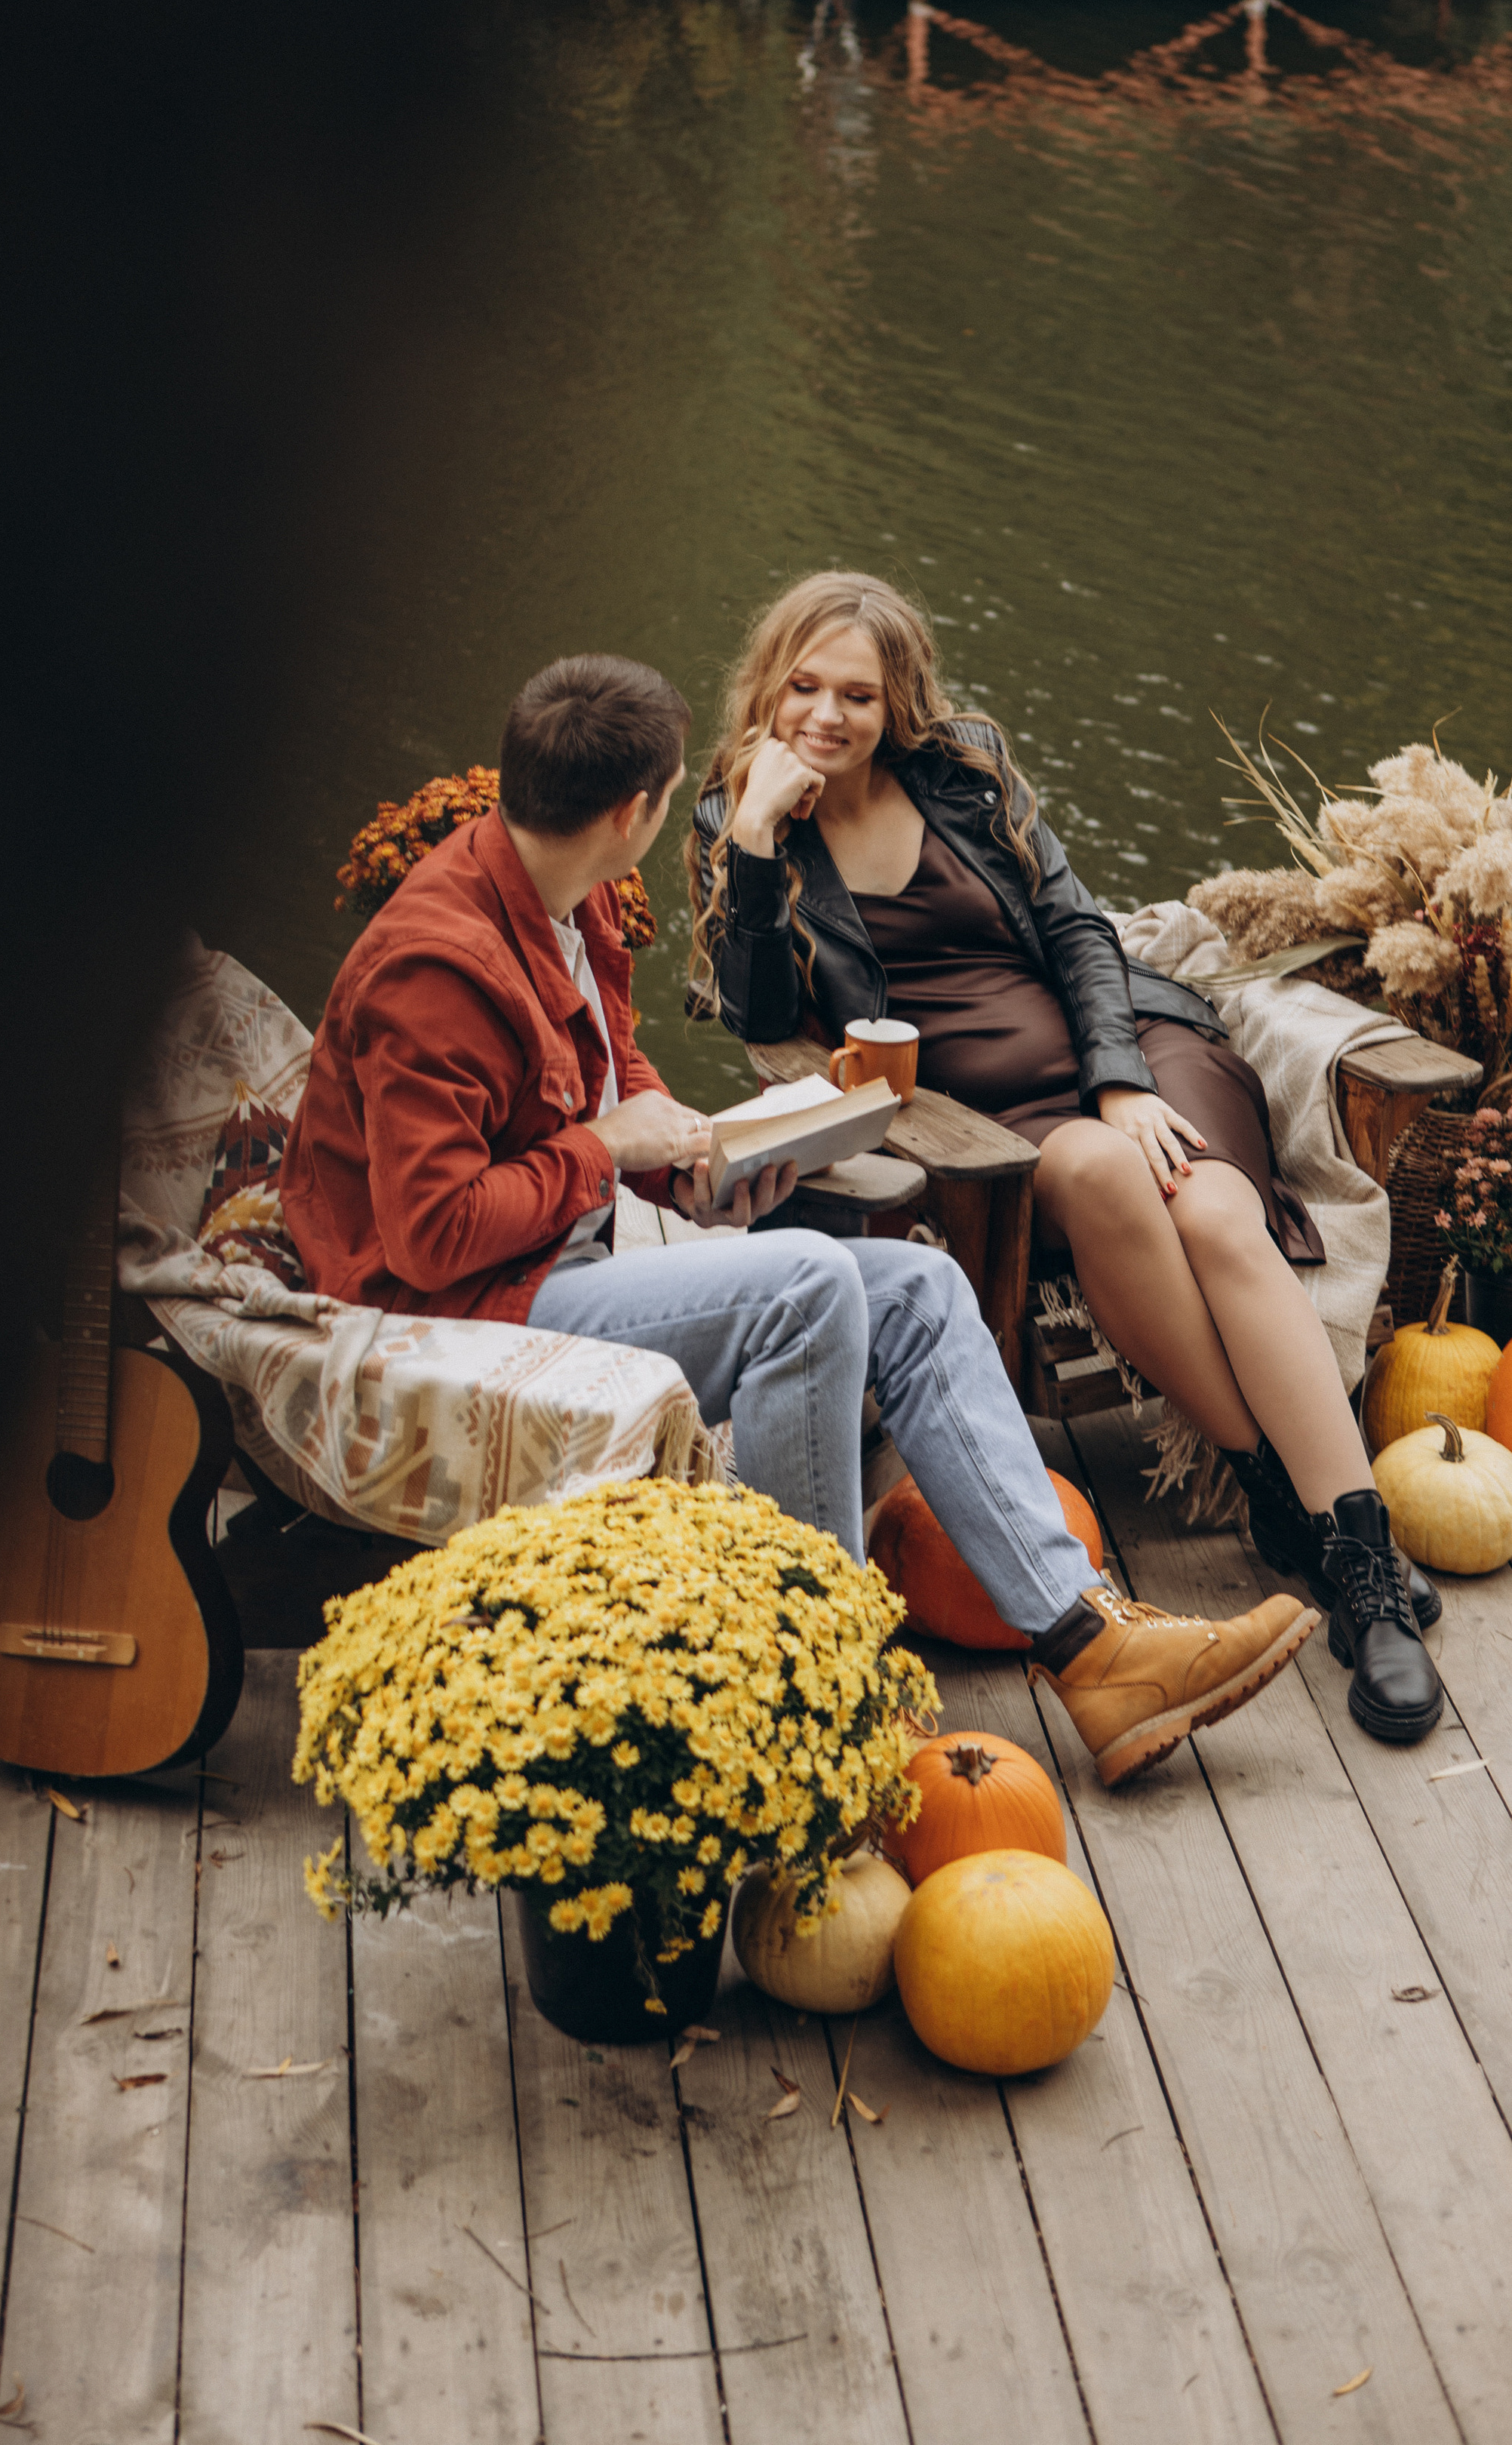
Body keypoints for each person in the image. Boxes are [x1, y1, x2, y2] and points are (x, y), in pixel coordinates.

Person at [281, 650, 1317, 1790]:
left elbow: (621, 1092)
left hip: (550, 1259)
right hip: (452, 1308)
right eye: (675, 796)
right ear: (634, 811)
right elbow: (432, 1237)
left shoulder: (562, 903)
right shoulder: (436, 965)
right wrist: (602, 1153)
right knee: (808, 1285)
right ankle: (824, 1687)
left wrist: (702, 1170)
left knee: (919, 1290)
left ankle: (1092, 1646)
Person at [687, 570, 1439, 1745]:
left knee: (1214, 1216)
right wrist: (750, 840)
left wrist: (1123, 1082)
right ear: (769, 686)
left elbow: (1080, 931)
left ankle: (1360, 1565)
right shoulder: (738, 821)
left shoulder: (968, 770)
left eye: (860, 698)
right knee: (1091, 1173)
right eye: (805, 689)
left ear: (901, 707)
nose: (828, 718)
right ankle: (1306, 1508)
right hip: (987, 1129)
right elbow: (758, 1013)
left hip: (1128, 1052)